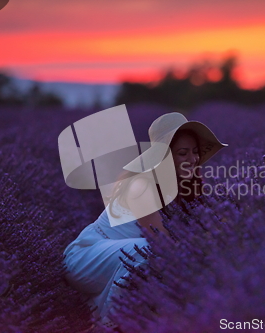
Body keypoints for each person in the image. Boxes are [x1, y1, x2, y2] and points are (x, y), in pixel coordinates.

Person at [62, 112, 227, 329]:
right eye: (182, 153)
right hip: (85, 259)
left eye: (195, 152)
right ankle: (110, 326)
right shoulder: (142, 185)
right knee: (150, 251)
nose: (192, 159)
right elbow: (163, 244)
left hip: (119, 262)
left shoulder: (183, 190)